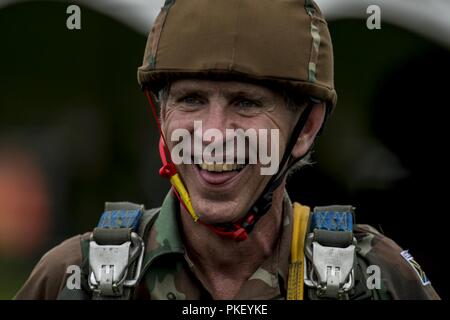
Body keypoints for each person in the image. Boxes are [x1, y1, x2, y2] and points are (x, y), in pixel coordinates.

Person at [15, 0, 439, 300]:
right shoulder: (73, 280)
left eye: (246, 103)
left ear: (306, 127)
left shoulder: (376, 279)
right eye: (191, 99)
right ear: (161, 115)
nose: (213, 135)